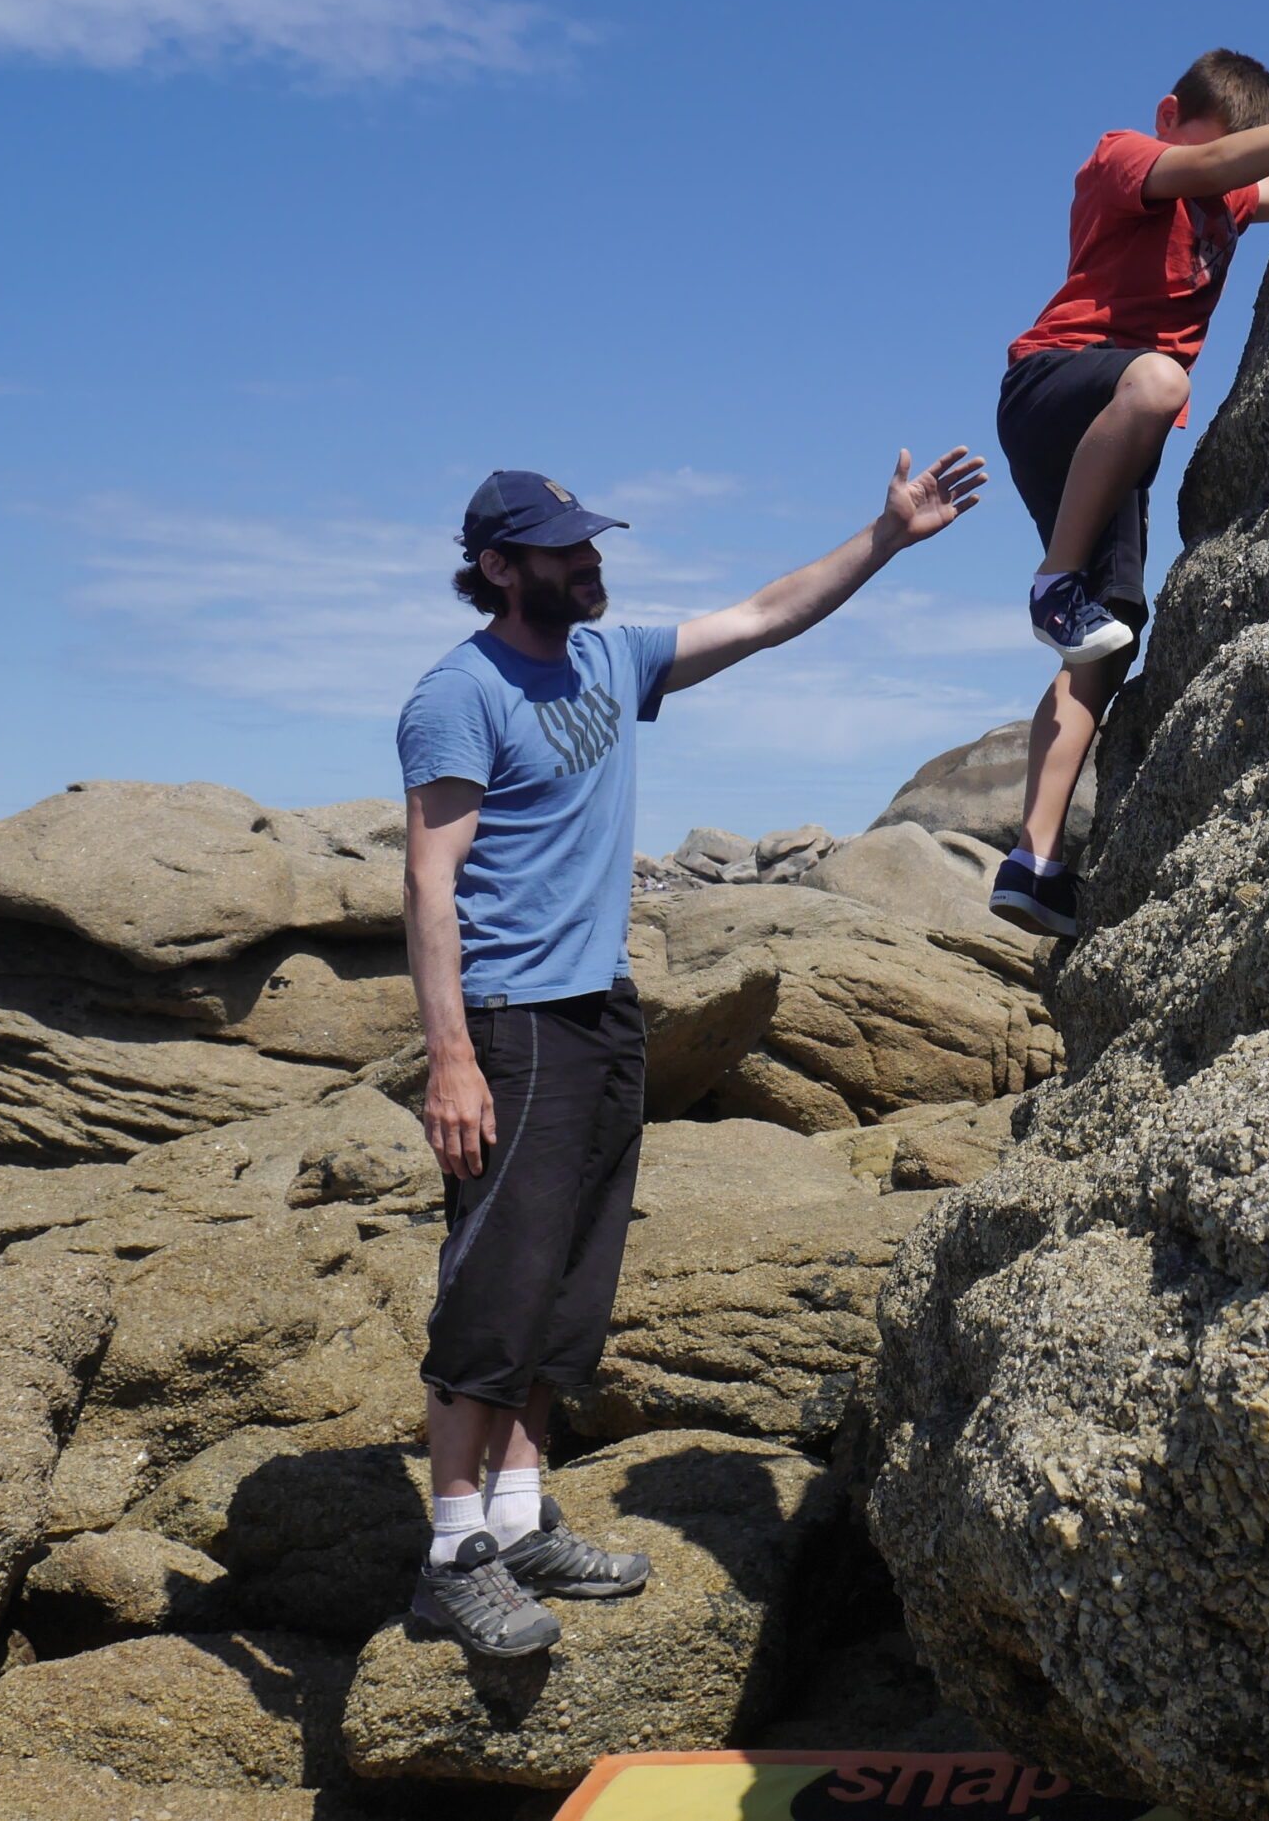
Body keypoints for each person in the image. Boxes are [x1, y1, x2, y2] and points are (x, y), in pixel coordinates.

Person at [394, 452, 984, 1657]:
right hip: (513, 1021)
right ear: (498, 566)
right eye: (562, 549)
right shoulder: (459, 693)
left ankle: (518, 1514)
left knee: (566, 1282)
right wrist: (450, 1056)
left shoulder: (610, 658)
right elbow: (427, 879)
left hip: (601, 1011)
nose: (588, 560)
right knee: (496, 1284)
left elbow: (764, 615)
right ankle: (453, 1551)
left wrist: (884, 537)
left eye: (590, 542)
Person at [987, 50, 1269, 938]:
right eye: (1215, 148)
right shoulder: (1122, 154)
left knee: (1109, 643)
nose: (1230, 172)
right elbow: (1216, 166)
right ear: (1169, 116)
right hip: (1057, 383)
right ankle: (1054, 582)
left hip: (1113, 437)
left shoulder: (1228, 198)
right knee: (1163, 382)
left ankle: (1033, 863)